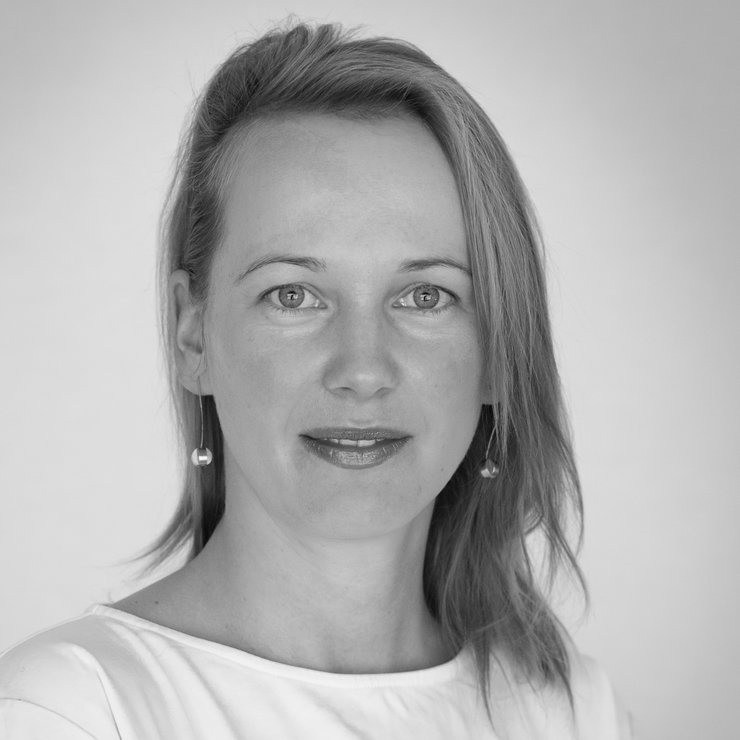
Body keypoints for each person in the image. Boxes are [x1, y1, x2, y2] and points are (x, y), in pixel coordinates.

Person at [0, 18, 632, 739]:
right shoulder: (69, 712)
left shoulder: (570, 711)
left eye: (425, 296)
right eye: (293, 295)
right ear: (193, 334)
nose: (362, 370)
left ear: (497, 350)